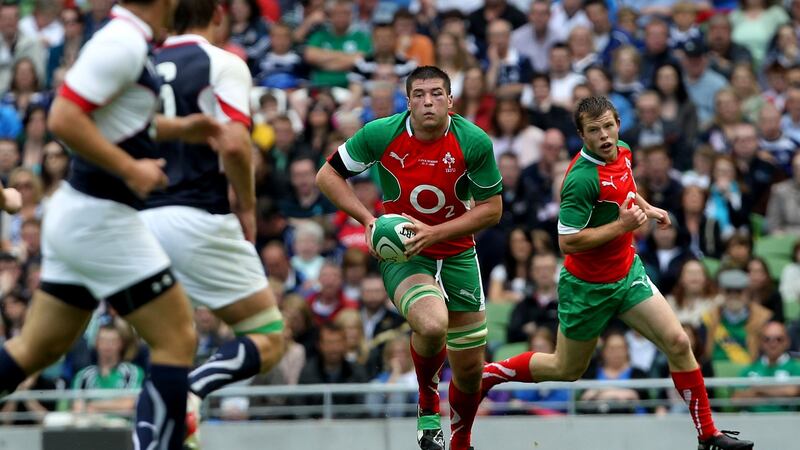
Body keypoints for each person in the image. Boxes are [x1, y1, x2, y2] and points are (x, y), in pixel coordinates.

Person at [0, 0, 222, 448]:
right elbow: (64, 118)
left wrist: (181, 129)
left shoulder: (132, 40)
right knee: (178, 336)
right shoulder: (121, 42)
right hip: (101, 219)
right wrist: (132, 169)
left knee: (35, 350)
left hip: (81, 217)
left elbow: (121, 120)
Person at [482, 96, 754, 450]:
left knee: (678, 342)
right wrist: (623, 224)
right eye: (594, 131)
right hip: (587, 287)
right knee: (566, 369)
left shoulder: (623, 151)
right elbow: (568, 242)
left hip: (627, 273)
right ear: (581, 135)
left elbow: (624, 191)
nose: (605, 136)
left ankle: (708, 435)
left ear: (618, 125)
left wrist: (647, 207)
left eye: (608, 126)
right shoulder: (580, 180)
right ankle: (492, 372)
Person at [317, 66, 502, 450]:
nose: (428, 101)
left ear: (451, 100)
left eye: (436, 93)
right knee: (433, 325)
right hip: (404, 254)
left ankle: (461, 438)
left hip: (457, 253)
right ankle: (427, 403)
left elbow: (491, 210)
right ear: (408, 101)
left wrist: (435, 233)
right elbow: (327, 176)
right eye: (419, 94)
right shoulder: (381, 133)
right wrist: (368, 220)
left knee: (469, 372)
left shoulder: (474, 142)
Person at [140, 4, 287, 447]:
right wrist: (246, 203)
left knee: (166, 350)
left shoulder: (141, 65)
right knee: (267, 336)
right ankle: (194, 389)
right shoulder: (222, 62)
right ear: (219, 16)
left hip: (137, 222)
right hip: (197, 215)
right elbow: (237, 145)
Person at [732, 321, 800, 412]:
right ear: (760, 342)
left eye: (779, 339)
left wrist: (758, 390)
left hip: (786, 421)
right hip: (752, 421)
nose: (773, 343)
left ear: (787, 341)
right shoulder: (750, 368)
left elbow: (793, 392)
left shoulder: (796, 367)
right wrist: (780, 393)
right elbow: (736, 399)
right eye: (767, 339)